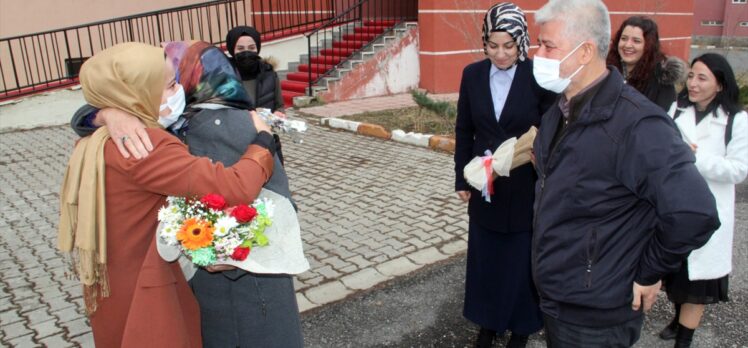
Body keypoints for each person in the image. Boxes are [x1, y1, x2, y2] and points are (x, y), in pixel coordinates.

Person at [71, 41, 304, 348]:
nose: (176, 89)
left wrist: (263, 141)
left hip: (246, 290)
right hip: (198, 289)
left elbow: (277, 203)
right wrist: (107, 114)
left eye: (177, 80)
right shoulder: (148, 131)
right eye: (168, 84)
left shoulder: (230, 124)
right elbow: (83, 117)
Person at [530, 0, 721, 346]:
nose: (536, 54)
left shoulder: (638, 125)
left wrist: (650, 270)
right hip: (559, 298)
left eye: (547, 45)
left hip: (597, 315)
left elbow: (695, 213)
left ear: (585, 51)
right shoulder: (559, 111)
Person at [454, 3, 555, 347]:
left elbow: (551, 130)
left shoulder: (538, 76)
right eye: (492, 45)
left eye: (508, 46)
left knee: (520, 264)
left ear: (522, 43)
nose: (500, 54)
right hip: (484, 186)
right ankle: (488, 323)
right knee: (487, 261)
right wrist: (461, 179)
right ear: (484, 43)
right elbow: (464, 129)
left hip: (524, 186)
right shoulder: (472, 74)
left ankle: (522, 328)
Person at [658, 53, 748, 348]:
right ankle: (676, 318)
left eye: (702, 78)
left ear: (720, 84)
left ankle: (684, 340)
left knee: (698, 282)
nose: (692, 84)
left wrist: (695, 157)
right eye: (692, 76)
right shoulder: (677, 109)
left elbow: (738, 170)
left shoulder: (736, 120)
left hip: (709, 212)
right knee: (677, 275)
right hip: (675, 207)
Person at [226, 26, 288, 164]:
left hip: (267, 144)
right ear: (232, 50)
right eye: (240, 49)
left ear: (258, 48)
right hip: (236, 148)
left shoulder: (270, 75)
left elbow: (280, 105)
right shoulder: (225, 79)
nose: (247, 52)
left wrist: (279, 114)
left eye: (252, 47)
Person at [606, 16, 685, 111]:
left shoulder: (660, 80)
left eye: (636, 41)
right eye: (624, 38)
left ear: (649, 45)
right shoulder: (607, 71)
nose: (627, 45)